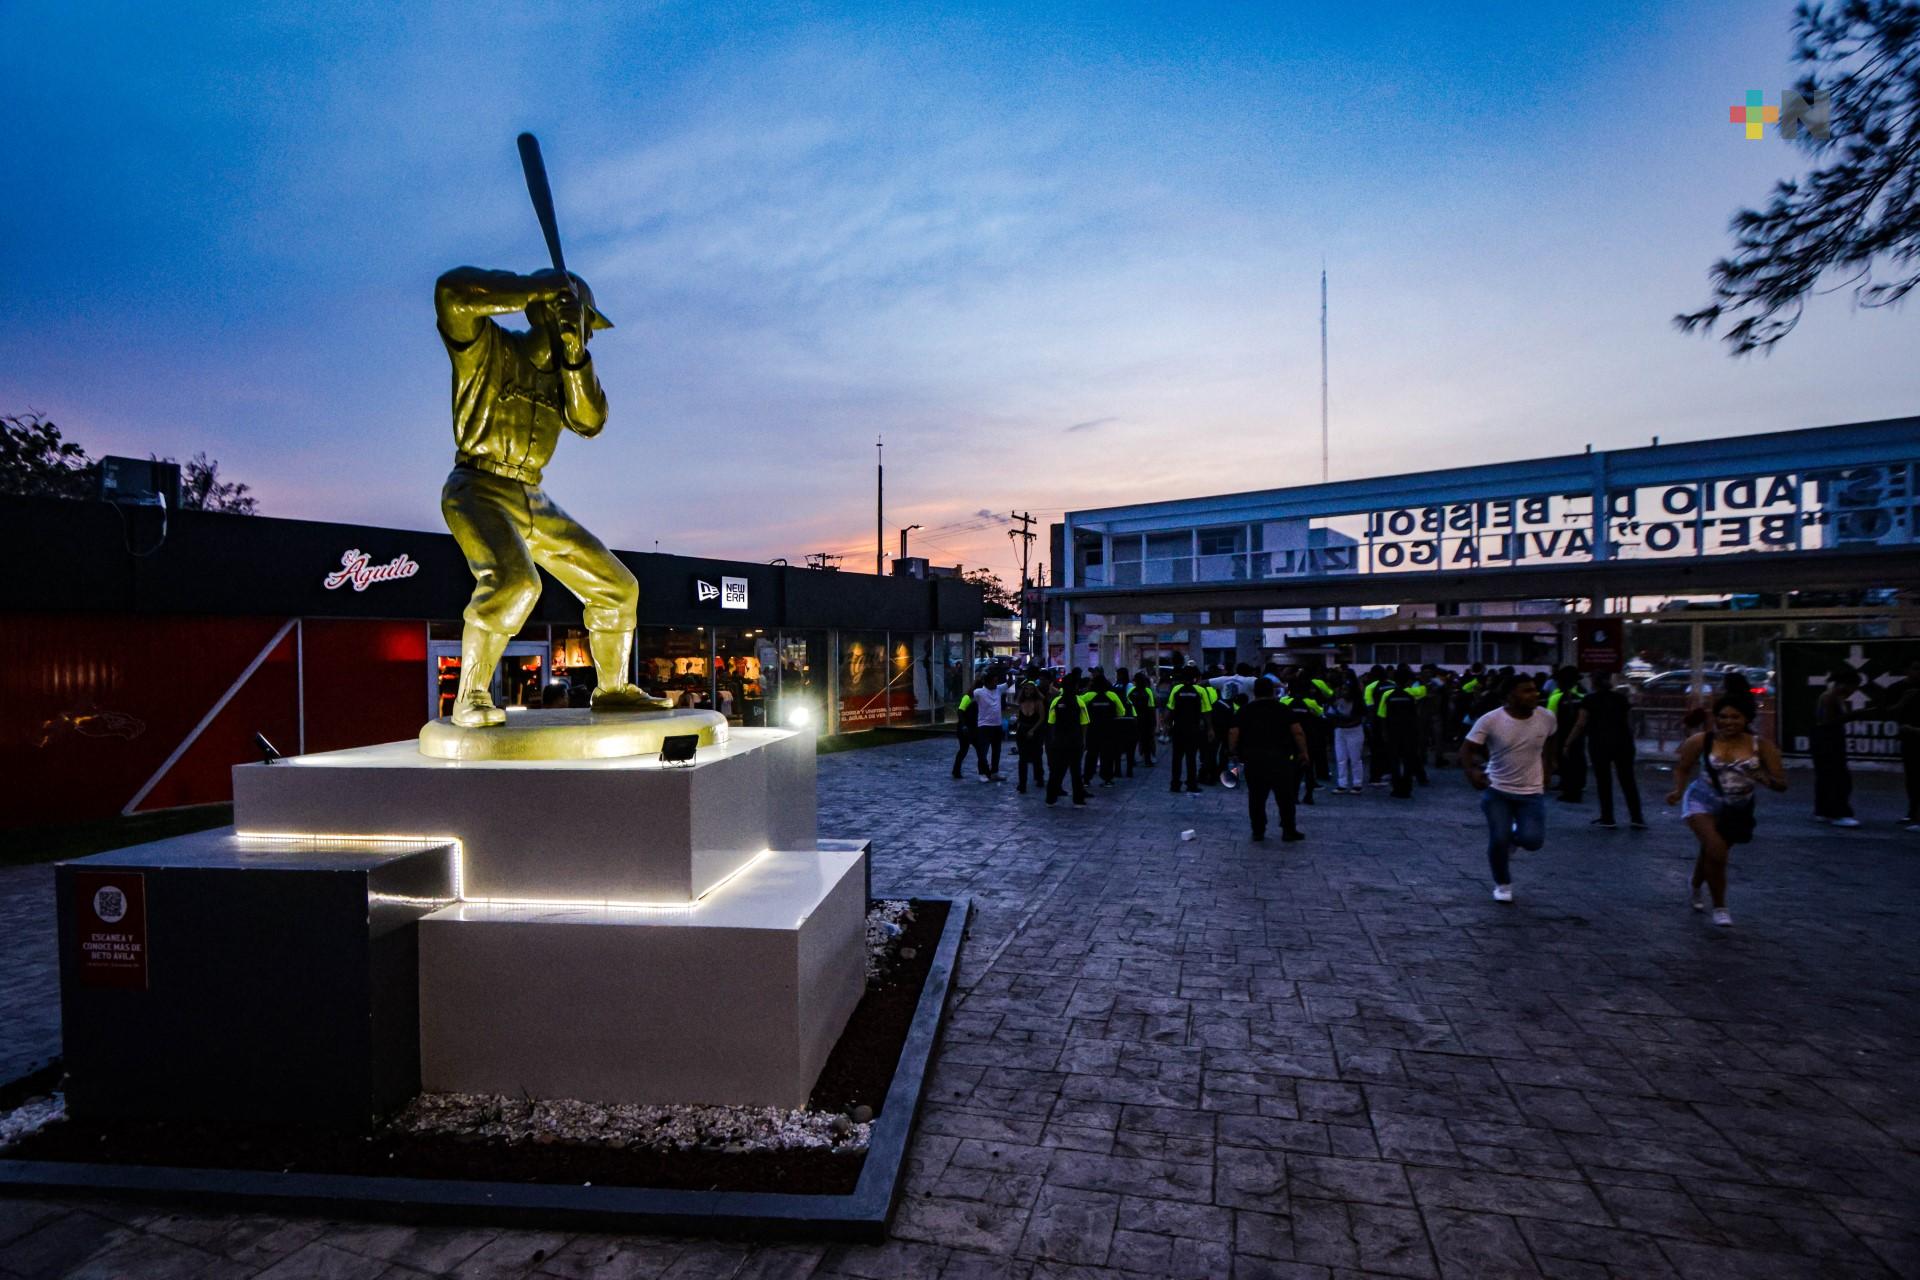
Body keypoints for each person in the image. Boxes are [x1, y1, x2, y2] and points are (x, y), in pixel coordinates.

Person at [433, 264, 667, 726]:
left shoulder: (566, 377)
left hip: (531, 495)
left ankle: (614, 689)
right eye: (582, 321)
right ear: (545, 311)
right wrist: (535, 290)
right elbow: (451, 293)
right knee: (516, 583)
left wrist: (576, 356)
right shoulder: (490, 348)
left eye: (585, 325)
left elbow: (590, 421)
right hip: (478, 484)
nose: (585, 332)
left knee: (619, 587)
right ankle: (471, 695)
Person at [1666, 697, 1787, 927]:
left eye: (1735, 717)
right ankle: (1720, 907)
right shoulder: (1701, 741)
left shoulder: (1761, 746)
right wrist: (1678, 791)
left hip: (1736, 808)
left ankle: (1694, 884)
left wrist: (1763, 778)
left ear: (1747, 719)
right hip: (1701, 802)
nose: (1728, 722)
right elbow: (1683, 768)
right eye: (1723, 716)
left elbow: (1782, 784)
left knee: (1711, 851)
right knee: (1717, 852)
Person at [1463, 674, 1559, 902]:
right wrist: (1472, 772)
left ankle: (1514, 838)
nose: (1534, 694)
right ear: (1509, 696)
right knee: (1498, 839)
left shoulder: (1546, 718)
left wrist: (1549, 768)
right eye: (1526, 690)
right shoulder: (1491, 720)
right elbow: (1466, 750)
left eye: (1534, 690)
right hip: (1497, 790)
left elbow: (1551, 742)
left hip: (1531, 792)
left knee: (1533, 841)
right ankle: (1502, 884)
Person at [1229, 678, 1310, 842]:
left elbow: (1233, 733)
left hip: (1254, 760)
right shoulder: (1283, 709)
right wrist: (1303, 752)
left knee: (1257, 797)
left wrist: (1233, 752)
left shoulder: (1245, 710)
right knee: (1285, 797)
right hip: (1281, 759)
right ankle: (1288, 830)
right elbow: (1298, 732)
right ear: (1272, 691)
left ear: (1255, 691)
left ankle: (1258, 830)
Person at [1574, 671, 1645, 828]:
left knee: (1603, 780)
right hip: (1623, 742)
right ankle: (1636, 817)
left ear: (1594, 683)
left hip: (1599, 743)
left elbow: (1581, 723)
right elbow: (1628, 721)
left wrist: (1568, 742)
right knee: (1628, 780)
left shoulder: (1589, 700)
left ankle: (1608, 817)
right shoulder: (1620, 698)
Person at [1810, 668, 1862, 827]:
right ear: (1844, 684)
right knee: (1838, 778)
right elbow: (1827, 721)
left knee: (1826, 777)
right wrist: (1852, 716)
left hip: (1826, 740)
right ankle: (1838, 813)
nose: (1854, 691)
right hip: (1828, 740)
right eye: (1853, 686)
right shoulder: (1830, 697)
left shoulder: (1833, 697)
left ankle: (1823, 811)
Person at [1045, 672, 1090, 806]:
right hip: (1075, 742)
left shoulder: (1056, 701)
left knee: (1056, 772)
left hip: (1059, 742)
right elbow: (1084, 723)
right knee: (1076, 772)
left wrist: (1052, 741)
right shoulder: (1079, 702)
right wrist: (1083, 741)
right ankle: (1078, 800)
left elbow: (1051, 722)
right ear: (1075, 686)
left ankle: (1050, 799)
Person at [1164, 667, 1209, 794]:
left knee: (1176, 758)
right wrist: (1210, 729)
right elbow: (1206, 711)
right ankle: (1191, 784)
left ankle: (1175, 784)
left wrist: (1166, 726)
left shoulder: (1176, 689)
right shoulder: (1200, 690)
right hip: (1193, 729)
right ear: (1195, 678)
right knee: (1191, 757)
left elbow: (1169, 709)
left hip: (1178, 728)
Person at [1547, 667, 1587, 803]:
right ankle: (1577, 788)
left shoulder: (1557, 696)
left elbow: (1550, 718)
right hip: (1580, 735)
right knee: (1578, 761)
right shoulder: (1584, 694)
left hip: (1561, 735)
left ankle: (1568, 790)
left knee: (1565, 762)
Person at [1082, 671, 1129, 785]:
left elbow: (1078, 706)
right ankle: (1107, 779)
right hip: (1109, 731)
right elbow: (1122, 712)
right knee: (1107, 755)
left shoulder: (1088, 696)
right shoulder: (1112, 695)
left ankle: (1087, 779)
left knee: (1091, 754)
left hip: (1092, 730)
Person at [1326, 678, 1366, 794]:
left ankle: (1357, 784)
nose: (1344, 691)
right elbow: (1330, 713)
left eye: (1346, 689)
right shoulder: (1336, 700)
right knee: (1341, 758)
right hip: (1340, 731)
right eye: (1342, 689)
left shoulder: (1358, 702)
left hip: (1354, 730)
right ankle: (1342, 784)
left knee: (1355, 758)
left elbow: (1359, 717)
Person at [968, 669, 1006, 782]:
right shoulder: (979, 692)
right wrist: (977, 681)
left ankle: (994, 772)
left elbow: (1009, 683)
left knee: (996, 750)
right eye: (994, 681)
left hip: (997, 725)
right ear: (987, 682)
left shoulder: (998, 689)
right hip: (984, 726)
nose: (996, 683)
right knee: (983, 751)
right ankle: (982, 772)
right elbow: (969, 695)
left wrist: (1008, 672)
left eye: (996, 681)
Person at [1013, 681, 1048, 794]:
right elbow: (1018, 715)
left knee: (1037, 756)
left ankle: (1039, 778)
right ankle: (1022, 784)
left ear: (1034, 691)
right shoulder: (1021, 701)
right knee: (1022, 759)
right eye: (1026, 689)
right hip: (1022, 731)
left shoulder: (1038, 702)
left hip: (1036, 731)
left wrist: (1032, 730)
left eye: (1030, 689)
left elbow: (1042, 718)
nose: (1028, 691)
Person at [1127, 670, 1157, 768]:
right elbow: (1151, 706)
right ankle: (1147, 760)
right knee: (1146, 740)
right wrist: (1154, 721)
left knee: (1133, 741)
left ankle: (1131, 761)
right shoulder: (1148, 691)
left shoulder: (1131, 691)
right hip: (1146, 719)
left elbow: (1128, 705)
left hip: (1134, 719)